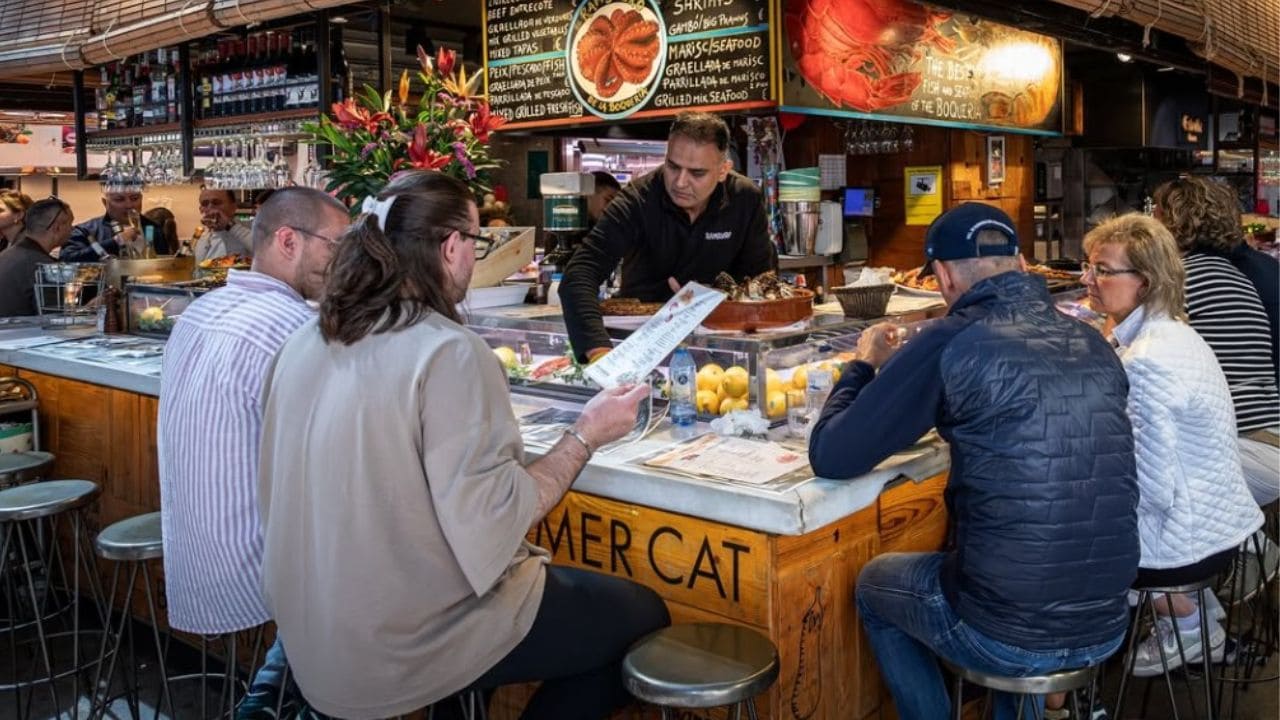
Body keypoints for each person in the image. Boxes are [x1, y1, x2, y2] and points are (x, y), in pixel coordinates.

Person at [257, 171, 669, 720]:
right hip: (398, 645)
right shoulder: (448, 352)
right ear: (451, 246)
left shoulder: (304, 340)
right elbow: (493, 526)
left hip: (310, 640)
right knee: (640, 616)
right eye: (476, 242)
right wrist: (586, 434)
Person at [809, 203, 1140, 720]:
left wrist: (861, 366)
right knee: (1013, 590)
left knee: (876, 586)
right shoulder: (1092, 341)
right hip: (1108, 623)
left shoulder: (951, 338)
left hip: (1010, 631)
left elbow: (832, 454)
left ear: (942, 276)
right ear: (1021, 262)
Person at [157, 187, 350, 709]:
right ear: (289, 240)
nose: (345, 262)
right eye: (338, 246)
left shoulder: (202, 309)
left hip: (195, 549)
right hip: (256, 567)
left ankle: (279, 689)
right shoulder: (292, 328)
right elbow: (342, 456)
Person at [1081, 213, 1263, 676]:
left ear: (1144, 281)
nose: (1088, 278)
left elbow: (1152, 487)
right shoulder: (1175, 333)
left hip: (1179, 545)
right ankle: (1194, 615)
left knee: (1061, 543)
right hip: (1216, 526)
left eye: (1103, 269)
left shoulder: (1146, 360)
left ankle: (1185, 626)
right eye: (1090, 266)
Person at [560, 111, 775, 362]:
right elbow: (579, 274)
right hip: (641, 348)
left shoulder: (745, 198)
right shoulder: (637, 199)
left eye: (696, 173)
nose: (680, 182)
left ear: (723, 170)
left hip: (724, 347)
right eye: (673, 166)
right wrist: (600, 355)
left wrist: (713, 295)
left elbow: (761, 281)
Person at [1153, 177, 1279, 509]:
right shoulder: (1236, 272)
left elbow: (1146, 362)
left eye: (1157, 213)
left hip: (1245, 443)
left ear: (1173, 221)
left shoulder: (1181, 280)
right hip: (1267, 434)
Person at [0, 198, 73, 317]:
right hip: (24, 334)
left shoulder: (6, 255)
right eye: (70, 224)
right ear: (57, 228)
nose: (72, 229)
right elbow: (54, 320)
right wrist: (89, 309)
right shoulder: (46, 268)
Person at [62, 187, 167, 260]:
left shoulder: (153, 228)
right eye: (119, 199)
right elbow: (68, 259)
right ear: (105, 203)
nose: (129, 205)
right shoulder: (85, 231)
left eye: (135, 198)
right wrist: (115, 242)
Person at [194, 187, 253, 261]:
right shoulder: (202, 238)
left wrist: (229, 226)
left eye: (216, 203)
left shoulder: (250, 228)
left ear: (233, 207)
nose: (210, 207)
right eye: (205, 204)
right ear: (201, 210)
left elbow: (265, 251)